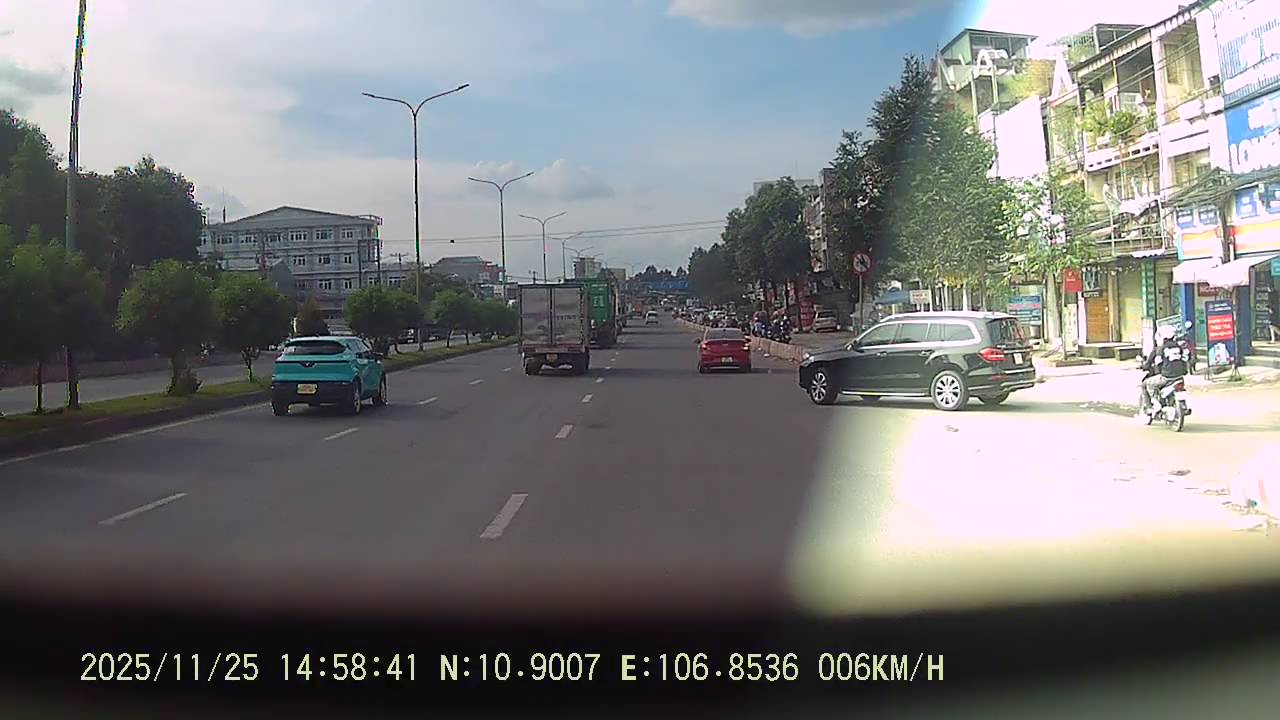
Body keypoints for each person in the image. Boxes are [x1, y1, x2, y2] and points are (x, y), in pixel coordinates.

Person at [1138, 325, 1188, 421]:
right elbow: (1185, 360)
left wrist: (1147, 367)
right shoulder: (1179, 347)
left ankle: (1152, 406)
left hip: (1166, 377)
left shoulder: (1160, 349)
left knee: (1145, 384)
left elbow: (1158, 363)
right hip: (1180, 377)